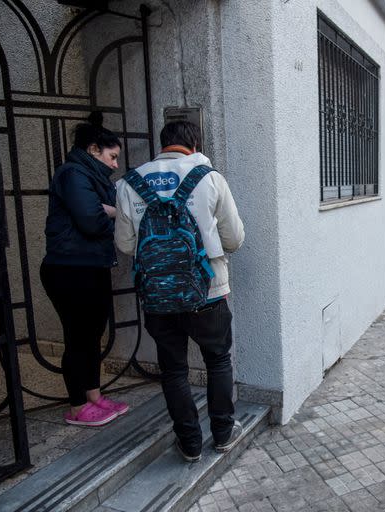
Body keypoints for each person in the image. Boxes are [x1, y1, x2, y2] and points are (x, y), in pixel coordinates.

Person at [114, 121, 245, 462]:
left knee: (173, 370)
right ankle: (223, 434)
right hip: (209, 290)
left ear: (162, 145)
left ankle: (188, 444)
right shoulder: (209, 177)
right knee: (217, 360)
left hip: (157, 295)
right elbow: (234, 239)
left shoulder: (130, 183)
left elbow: (126, 245)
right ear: (194, 143)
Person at [41, 112, 129, 427]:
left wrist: (109, 209)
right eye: (113, 157)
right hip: (68, 269)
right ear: (94, 149)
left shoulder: (93, 179)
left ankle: (94, 395)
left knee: (92, 335)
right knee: (78, 337)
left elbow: (107, 212)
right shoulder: (73, 174)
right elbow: (91, 220)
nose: (116, 164)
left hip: (91, 266)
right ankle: (77, 406)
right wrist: (111, 211)